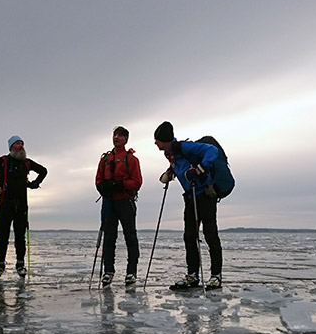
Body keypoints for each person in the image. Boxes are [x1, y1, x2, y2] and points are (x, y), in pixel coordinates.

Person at [153, 121, 224, 290]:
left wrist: (200, 169)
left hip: (205, 195)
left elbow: (212, 150)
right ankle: (192, 275)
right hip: (190, 197)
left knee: (210, 235)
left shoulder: (185, 147)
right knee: (189, 236)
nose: (155, 143)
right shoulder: (170, 153)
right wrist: (171, 172)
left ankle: (216, 276)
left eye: (157, 140)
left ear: (165, 140)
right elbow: (181, 165)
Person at [0, 136, 48, 277]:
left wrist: (34, 184)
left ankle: (20, 264)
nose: (21, 146)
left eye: (22, 144)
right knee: (3, 236)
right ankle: (0, 264)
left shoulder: (27, 163)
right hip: (5, 204)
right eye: (18, 144)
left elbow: (43, 171)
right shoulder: (2, 161)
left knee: (20, 237)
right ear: (11, 147)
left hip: (22, 206)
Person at [94, 126, 143, 287]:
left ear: (126, 139)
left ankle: (131, 272)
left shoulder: (131, 159)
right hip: (108, 202)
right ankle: (108, 271)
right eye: (115, 135)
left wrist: (120, 184)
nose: (116, 138)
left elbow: (137, 182)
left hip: (125, 201)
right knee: (109, 237)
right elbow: (98, 179)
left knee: (130, 236)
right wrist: (103, 187)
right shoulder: (105, 159)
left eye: (120, 136)